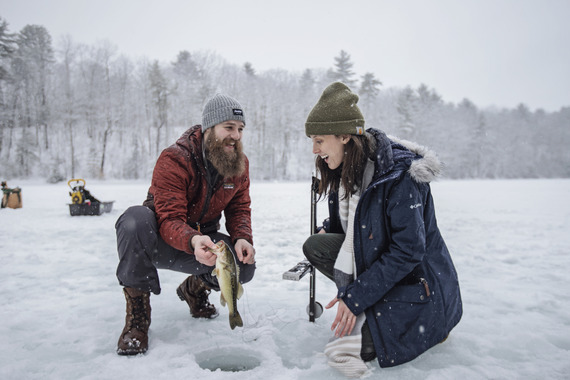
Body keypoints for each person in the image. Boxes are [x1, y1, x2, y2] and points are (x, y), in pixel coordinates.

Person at [302, 82, 462, 375]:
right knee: (316, 245)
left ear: (344, 137)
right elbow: (357, 223)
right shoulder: (346, 171)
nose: (314, 149)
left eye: (319, 140)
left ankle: (385, 311)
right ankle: (368, 302)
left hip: (420, 288)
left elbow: (408, 251)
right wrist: (329, 228)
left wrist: (356, 297)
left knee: (350, 347)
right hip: (387, 273)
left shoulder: (399, 177)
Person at [115, 93, 256, 355]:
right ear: (209, 128)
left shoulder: (239, 163)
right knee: (134, 220)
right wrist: (192, 240)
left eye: (240, 129)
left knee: (243, 269)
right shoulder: (175, 158)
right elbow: (168, 218)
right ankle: (137, 319)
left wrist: (242, 237)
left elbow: (239, 207)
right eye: (228, 127)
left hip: (205, 244)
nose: (236, 136)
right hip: (160, 242)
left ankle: (194, 289)